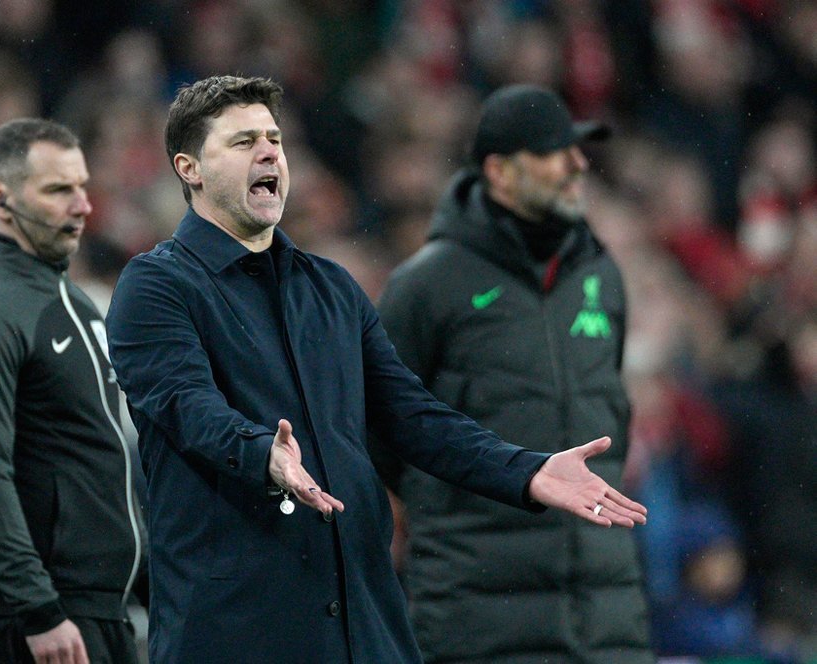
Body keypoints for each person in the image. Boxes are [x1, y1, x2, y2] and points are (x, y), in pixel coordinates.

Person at [104, 75, 647, 664]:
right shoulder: (155, 285)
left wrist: (526, 471)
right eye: (242, 142)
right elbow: (186, 403)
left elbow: (412, 416)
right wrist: (261, 451)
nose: (268, 152)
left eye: (274, 139)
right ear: (190, 169)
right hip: (240, 629)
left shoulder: (332, 288)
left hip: (365, 626)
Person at [371, 84, 655, 662]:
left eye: (577, 149)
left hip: (606, 618)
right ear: (499, 171)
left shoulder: (601, 272)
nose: (578, 164)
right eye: (555, 153)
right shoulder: (425, 286)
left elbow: (611, 407)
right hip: (480, 622)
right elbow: (383, 430)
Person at [0, 118, 146, 664]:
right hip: (34, 617)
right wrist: (38, 609)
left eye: (82, 186)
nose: (82, 205)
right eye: (58, 190)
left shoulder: (78, 303)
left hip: (99, 609)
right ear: (1, 202)